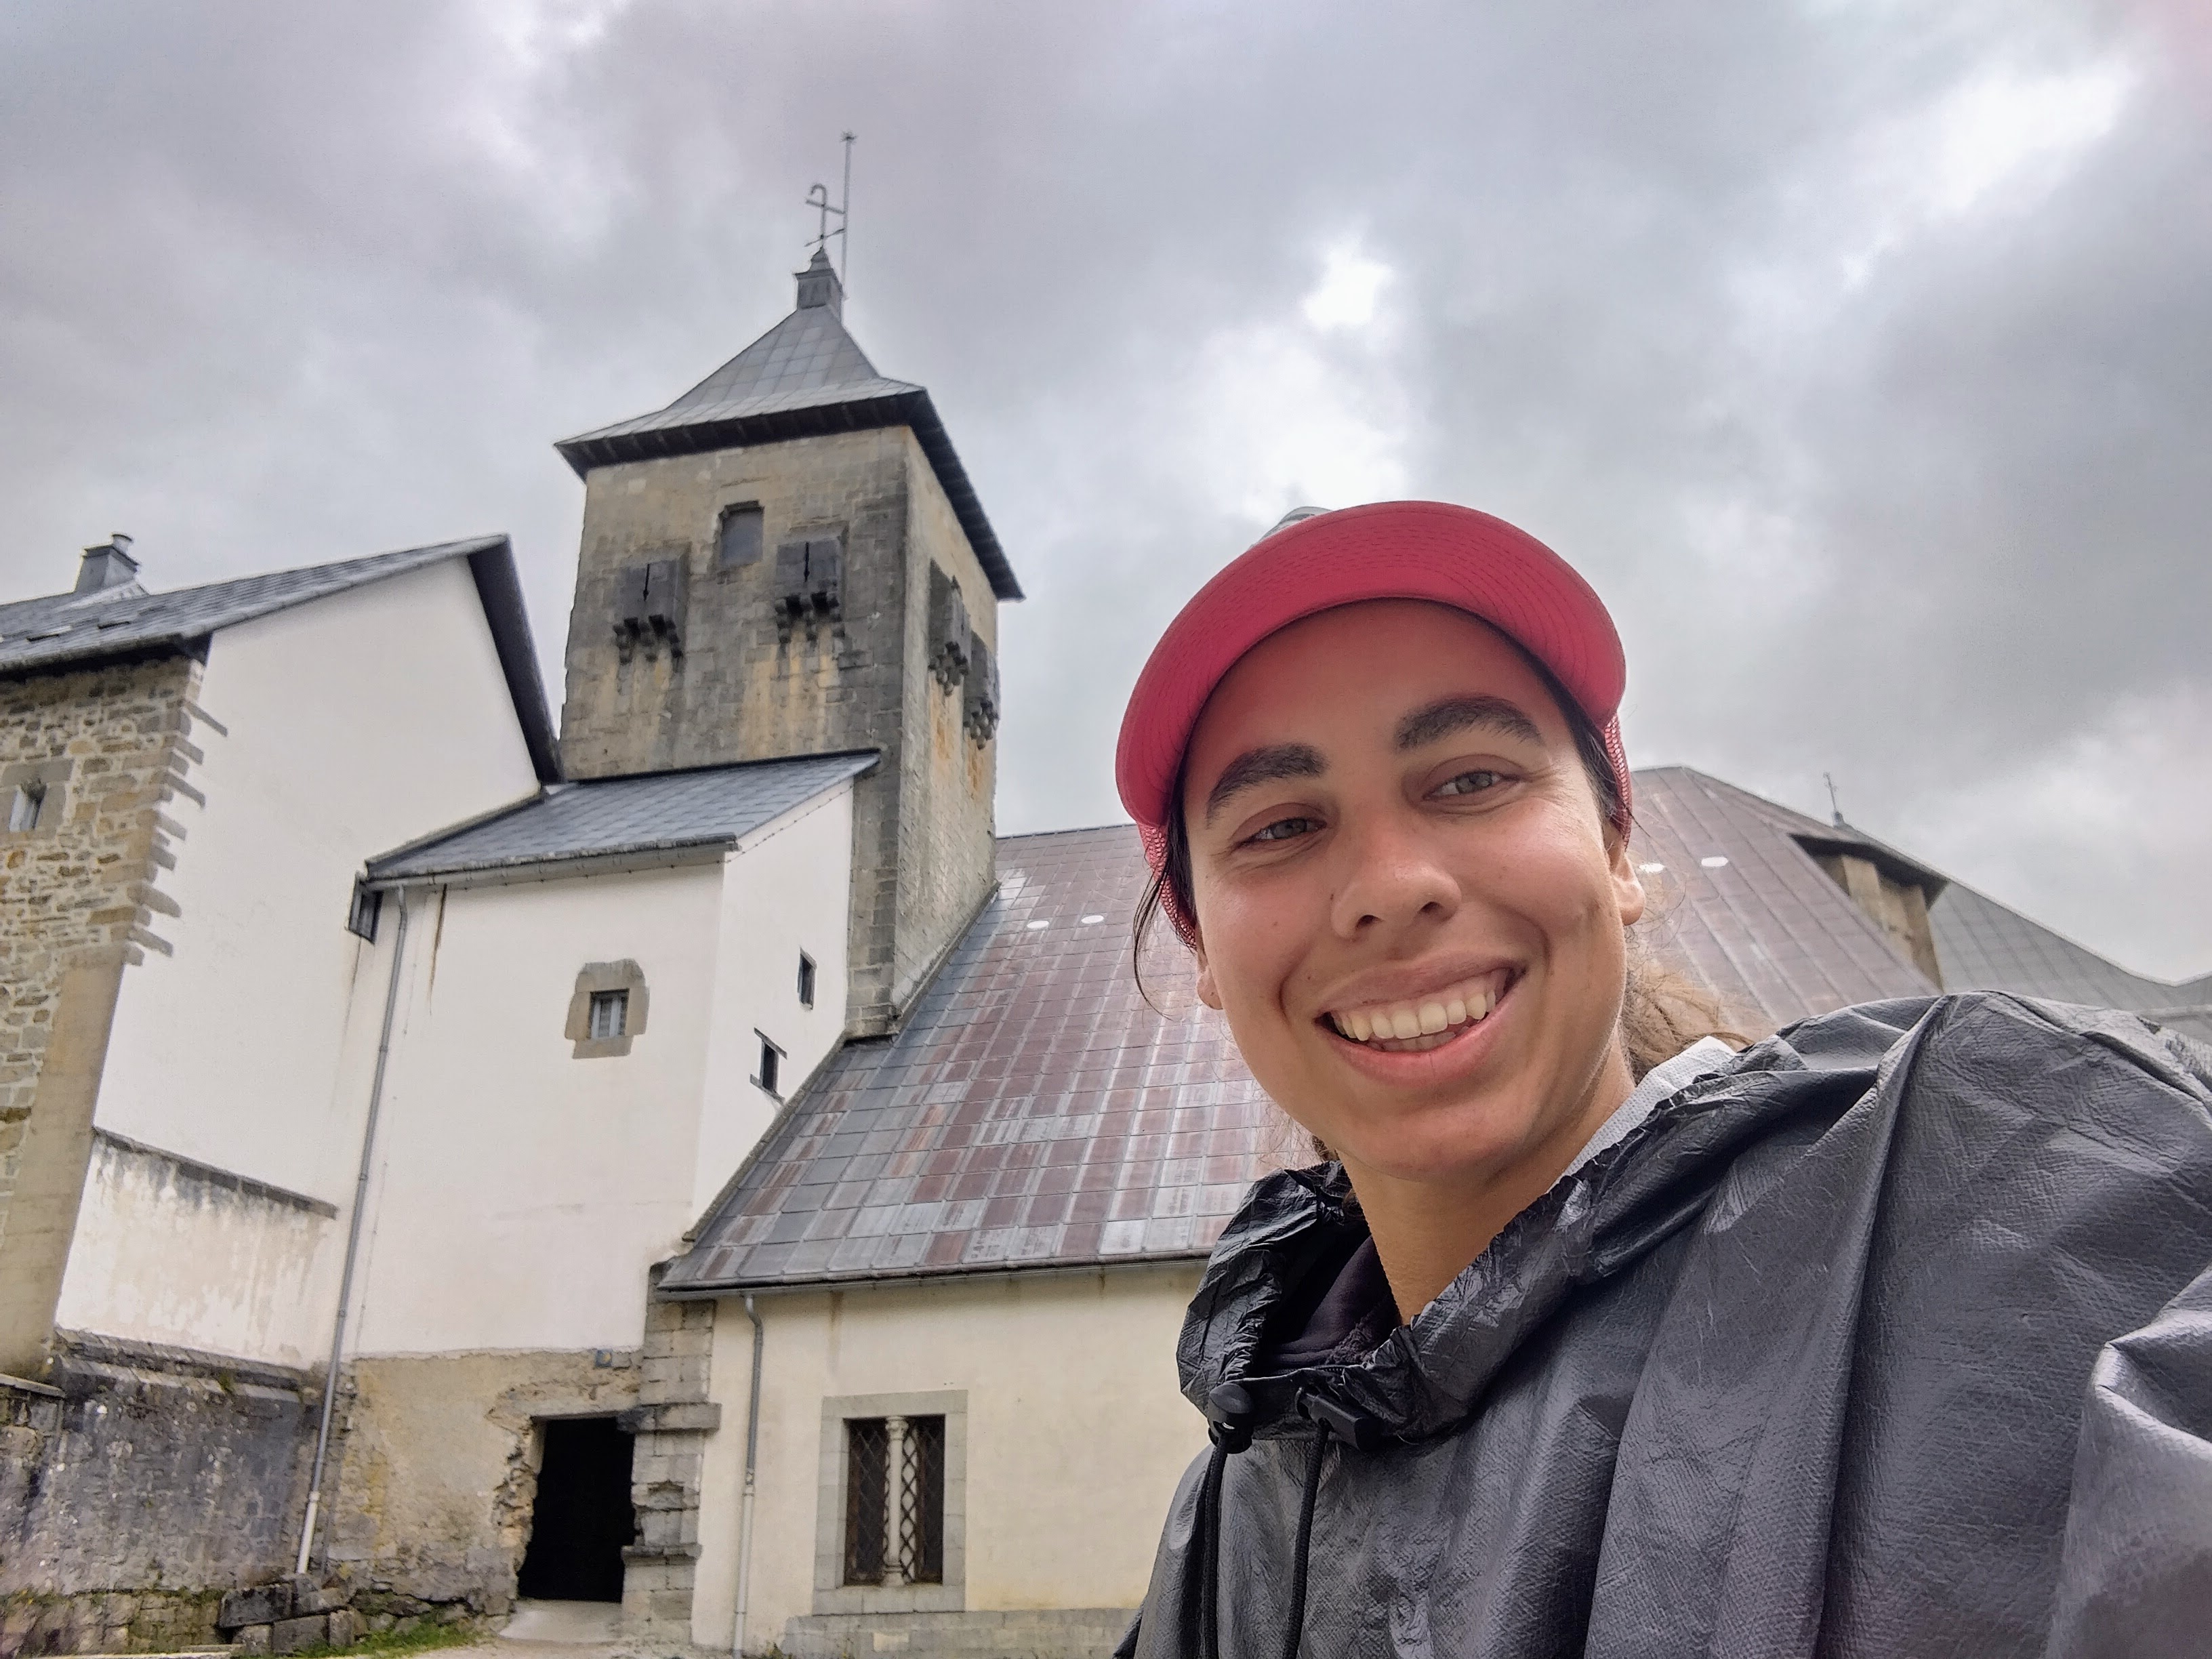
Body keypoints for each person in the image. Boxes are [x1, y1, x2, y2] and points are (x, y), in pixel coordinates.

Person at [1109, 501, 2212, 1659]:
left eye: (1471, 778)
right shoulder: (1234, 1519)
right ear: (1205, 959)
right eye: (1281, 826)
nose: (1390, 884)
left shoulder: (2007, 1180)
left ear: (1618, 852)